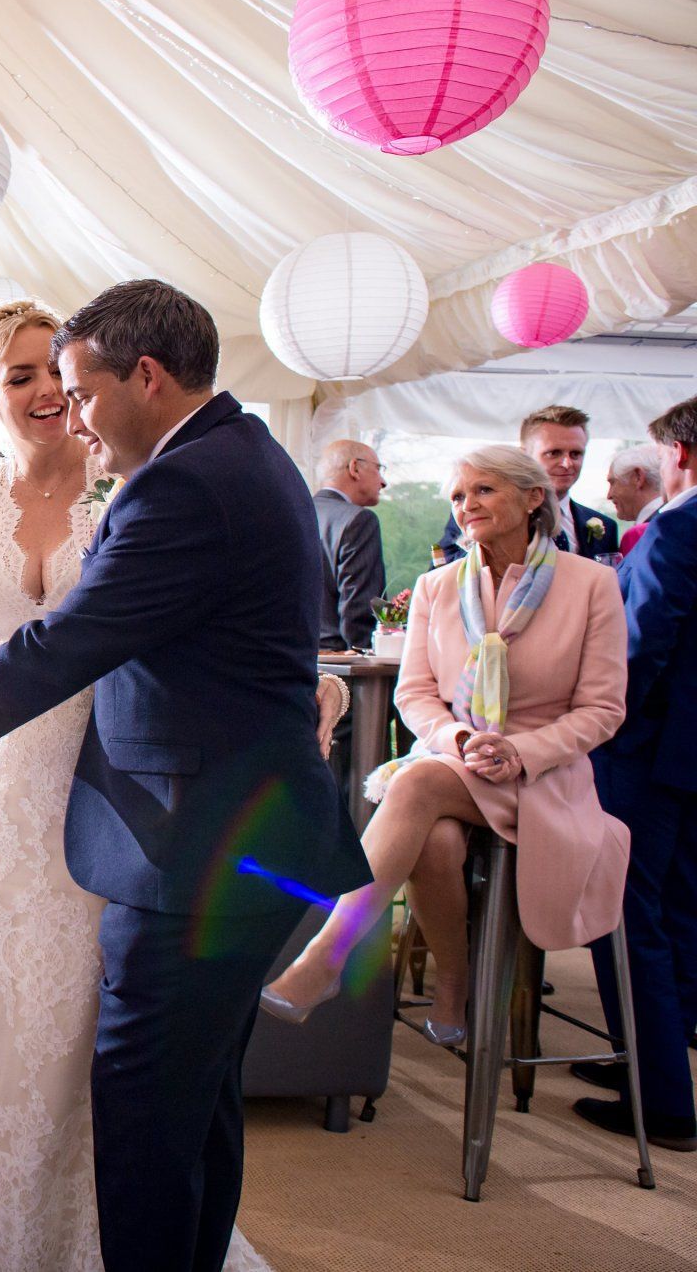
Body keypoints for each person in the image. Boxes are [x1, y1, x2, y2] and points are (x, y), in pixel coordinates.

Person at [0, 281, 368, 1272]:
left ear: (147, 379)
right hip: (196, 834)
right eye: (35, 384)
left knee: (143, 1126)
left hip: (187, 849)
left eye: (78, 386)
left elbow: (62, 647)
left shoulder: (180, 485)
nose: (68, 409)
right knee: (195, 1110)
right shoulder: (241, 454)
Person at [264, 447, 629, 1052]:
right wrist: (459, 739)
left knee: (415, 785)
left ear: (533, 498)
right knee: (431, 829)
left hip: (545, 779)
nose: (467, 506)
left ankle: (327, 957)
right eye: (458, 497)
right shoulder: (436, 586)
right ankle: (454, 982)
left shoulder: (592, 585)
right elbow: (416, 695)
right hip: (458, 762)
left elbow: (603, 710)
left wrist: (522, 752)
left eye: (483, 491)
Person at [579, 397, 697, 1152]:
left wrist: (591, 727)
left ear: (679, 455)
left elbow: (640, 647)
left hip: (647, 753)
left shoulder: (678, 528)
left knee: (624, 913)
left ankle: (662, 1102)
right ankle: (656, 1065)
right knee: (679, 911)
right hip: (688, 755)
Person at [431, 405, 619, 566]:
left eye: (576, 454)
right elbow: (443, 571)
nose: (567, 463)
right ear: (524, 455)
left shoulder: (605, 525)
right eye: (554, 453)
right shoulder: (476, 513)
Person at [312, 439, 388, 652]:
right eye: (378, 469)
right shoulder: (359, 520)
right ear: (354, 467)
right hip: (339, 661)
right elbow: (359, 607)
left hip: (292, 657)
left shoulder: (294, 514)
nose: (383, 481)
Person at [607, 444, 665, 558]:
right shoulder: (681, 522)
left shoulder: (640, 535)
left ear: (638, 477)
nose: (609, 495)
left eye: (613, 482)